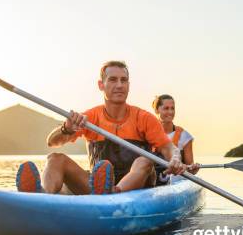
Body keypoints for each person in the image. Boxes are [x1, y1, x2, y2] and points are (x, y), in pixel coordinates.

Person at [16, 61, 187, 195]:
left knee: (144, 161)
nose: (119, 85)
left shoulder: (144, 118)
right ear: (101, 85)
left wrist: (176, 159)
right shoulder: (89, 117)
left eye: (124, 80)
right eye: (113, 79)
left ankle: (114, 191)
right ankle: (43, 195)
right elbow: (52, 142)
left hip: (136, 186)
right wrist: (67, 128)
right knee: (55, 158)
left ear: (128, 84)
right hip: (97, 187)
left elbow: (168, 148)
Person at [152, 94, 200, 185]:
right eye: (166, 108)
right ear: (157, 110)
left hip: (175, 183)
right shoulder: (148, 133)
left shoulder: (184, 136)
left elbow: (190, 170)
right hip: (153, 181)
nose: (170, 112)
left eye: (172, 108)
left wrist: (193, 169)